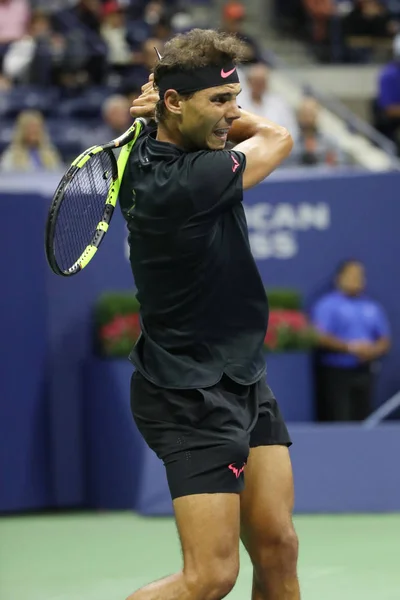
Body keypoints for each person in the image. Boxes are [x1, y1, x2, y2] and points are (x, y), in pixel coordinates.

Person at [119, 28, 298, 600]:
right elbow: (278, 136)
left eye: (235, 99)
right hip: (186, 391)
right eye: (221, 101)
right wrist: (202, 114)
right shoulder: (187, 181)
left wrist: (180, 109)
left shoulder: (167, 147)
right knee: (211, 576)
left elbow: (200, 123)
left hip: (241, 373)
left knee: (278, 546)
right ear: (174, 102)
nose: (233, 114)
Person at [311, 259, 391, 422]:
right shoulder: (327, 305)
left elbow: (384, 339)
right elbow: (319, 336)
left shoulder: (371, 306)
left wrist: (372, 350)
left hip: (365, 371)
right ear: (339, 278)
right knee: (339, 418)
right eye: (352, 275)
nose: (357, 279)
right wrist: (351, 347)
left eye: (361, 275)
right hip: (337, 372)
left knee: (363, 419)